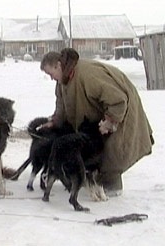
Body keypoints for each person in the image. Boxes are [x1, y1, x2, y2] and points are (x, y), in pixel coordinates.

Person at [40, 48, 154, 196]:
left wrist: (110, 121)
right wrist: (55, 121)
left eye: (50, 74)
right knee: (90, 145)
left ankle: (111, 188)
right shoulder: (63, 79)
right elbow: (61, 103)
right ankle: (88, 179)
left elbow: (118, 100)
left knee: (113, 149)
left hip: (122, 110)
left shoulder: (88, 75)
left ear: (58, 65)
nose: (51, 78)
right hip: (99, 114)